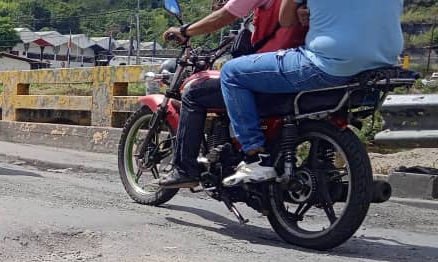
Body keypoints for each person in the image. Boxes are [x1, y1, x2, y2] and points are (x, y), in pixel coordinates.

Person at [219, 0, 404, 186]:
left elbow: (285, 20)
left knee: (231, 72)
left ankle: (254, 157)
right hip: (382, 63)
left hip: (331, 64)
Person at [158, 0, 308, 189]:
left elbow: (224, 16)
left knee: (194, 93)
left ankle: (185, 169)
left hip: (271, 70)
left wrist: (185, 31)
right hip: (304, 68)